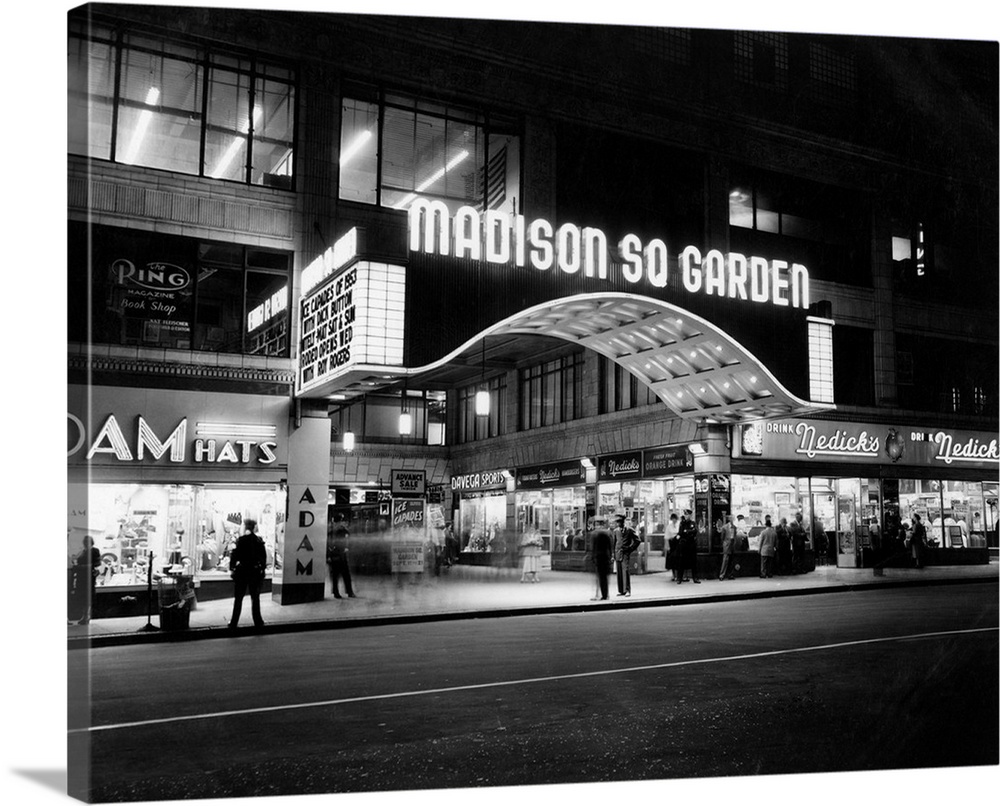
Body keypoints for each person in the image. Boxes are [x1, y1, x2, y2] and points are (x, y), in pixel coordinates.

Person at [228, 518, 267, 629]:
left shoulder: (241, 540)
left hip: (242, 571)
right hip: (254, 572)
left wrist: (232, 568)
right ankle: (258, 621)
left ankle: (234, 622)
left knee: (239, 598)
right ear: (254, 527)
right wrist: (262, 569)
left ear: (245, 527)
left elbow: (235, 555)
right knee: (255, 598)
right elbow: (263, 557)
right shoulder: (258, 540)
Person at [72, 536, 101, 625]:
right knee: (82, 596)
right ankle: (84, 615)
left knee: (87, 595)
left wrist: (82, 567)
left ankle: (86, 616)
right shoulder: (83, 551)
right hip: (81, 576)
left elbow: (97, 563)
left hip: (88, 576)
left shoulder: (94, 551)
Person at [327, 514, 356, 598]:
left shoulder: (334, 531)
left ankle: (344, 592)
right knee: (339, 575)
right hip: (336, 555)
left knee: (340, 575)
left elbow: (348, 540)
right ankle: (343, 592)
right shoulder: (334, 532)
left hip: (339, 555)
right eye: (341, 521)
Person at [614, 516, 638, 596]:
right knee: (619, 572)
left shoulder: (630, 530)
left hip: (625, 552)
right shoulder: (616, 531)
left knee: (626, 570)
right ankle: (621, 590)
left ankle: (627, 590)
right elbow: (614, 543)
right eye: (617, 522)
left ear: (623, 522)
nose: (618, 524)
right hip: (618, 553)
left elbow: (637, 540)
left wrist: (631, 549)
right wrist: (613, 555)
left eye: (619, 522)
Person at [591, 523, 613, 600]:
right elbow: (610, 548)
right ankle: (605, 594)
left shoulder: (597, 538)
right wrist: (611, 556)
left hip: (599, 558)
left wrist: (593, 557)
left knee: (600, 577)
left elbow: (594, 549)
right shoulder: (607, 538)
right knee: (605, 578)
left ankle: (601, 594)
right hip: (606, 558)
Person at [677, 509, 700, 583]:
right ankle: (679, 578)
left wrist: (687, 531)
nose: (687, 516)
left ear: (690, 515)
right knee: (681, 562)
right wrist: (689, 531)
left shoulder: (693, 523)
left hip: (691, 544)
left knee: (694, 562)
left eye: (688, 515)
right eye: (685, 515)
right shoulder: (682, 523)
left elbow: (695, 531)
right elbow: (680, 533)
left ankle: (695, 578)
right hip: (684, 544)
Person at [718, 515, 737, 580]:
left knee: (731, 560)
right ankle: (722, 575)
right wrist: (724, 543)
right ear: (729, 520)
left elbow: (734, 536)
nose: (733, 520)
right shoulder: (725, 527)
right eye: (732, 519)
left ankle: (730, 574)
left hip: (732, 544)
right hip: (726, 544)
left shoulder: (734, 527)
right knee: (725, 560)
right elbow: (722, 537)